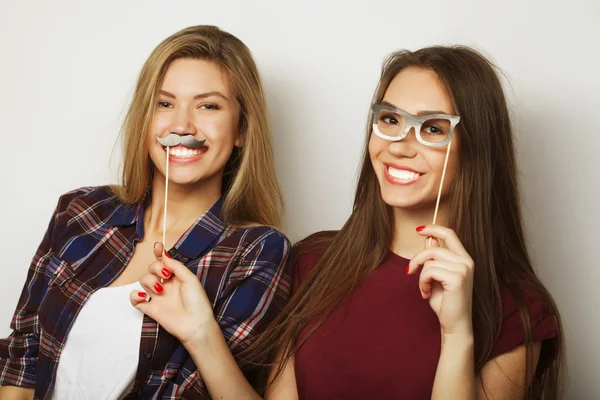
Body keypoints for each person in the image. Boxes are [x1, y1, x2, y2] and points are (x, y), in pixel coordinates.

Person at [124, 46, 564, 399]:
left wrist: (457, 334)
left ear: (478, 148)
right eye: (389, 120)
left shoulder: (519, 311)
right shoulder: (314, 260)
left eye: (432, 129)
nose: (400, 146)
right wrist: (201, 333)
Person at [0, 25, 292, 400]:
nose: (181, 126)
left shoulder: (257, 252)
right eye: (164, 103)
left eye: (208, 106)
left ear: (241, 130)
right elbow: (23, 357)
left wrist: (201, 334)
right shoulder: (80, 212)